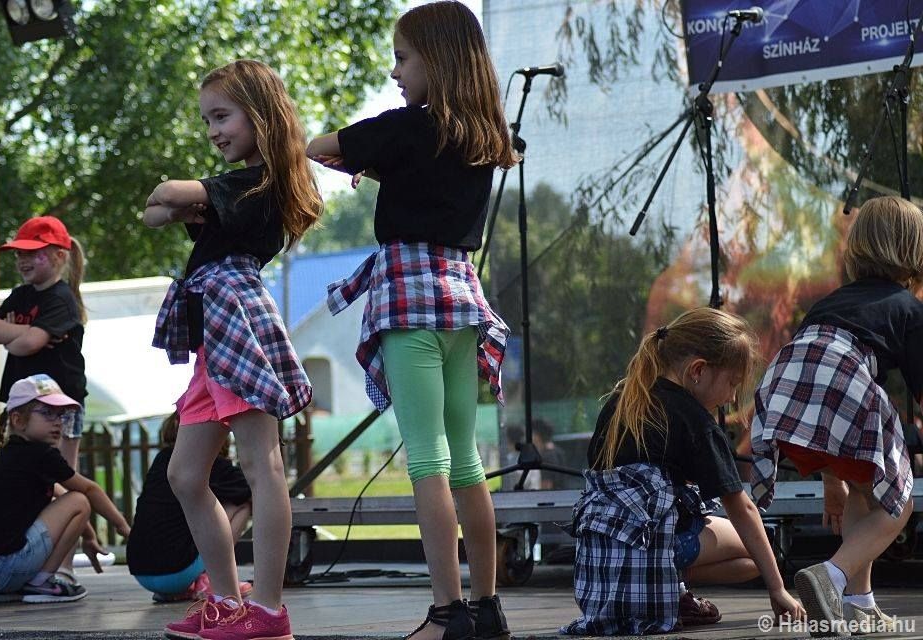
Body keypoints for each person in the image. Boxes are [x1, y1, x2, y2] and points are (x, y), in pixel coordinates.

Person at [307, 3, 515, 638]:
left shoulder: (402, 129)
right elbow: (426, 176)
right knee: (466, 461)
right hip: (461, 298)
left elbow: (316, 148)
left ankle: (446, 613)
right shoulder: (485, 138)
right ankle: (487, 608)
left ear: (438, 60)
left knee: (425, 458)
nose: (394, 72)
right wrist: (380, 166)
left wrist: (368, 160)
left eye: (402, 58)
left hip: (408, 299)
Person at [146, 59, 319, 640]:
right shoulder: (235, 186)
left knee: (261, 464)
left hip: (235, 326)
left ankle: (266, 608)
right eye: (207, 121)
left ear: (260, 114)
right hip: (212, 341)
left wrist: (183, 200)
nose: (213, 131)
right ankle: (225, 599)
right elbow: (154, 213)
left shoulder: (256, 184)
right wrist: (180, 204)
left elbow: (164, 196)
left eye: (221, 116)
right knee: (184, 473)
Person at [562, 308, 804, 635]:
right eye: (732, 383)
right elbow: (742, 508)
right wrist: (777, 589)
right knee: (760, 550)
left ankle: (667, 589)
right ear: (698, 370)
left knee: (741, 549)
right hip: (653, 545)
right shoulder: (695, 421)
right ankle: (670, 587)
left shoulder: (621, 402)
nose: (732, 397)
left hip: (601, 558)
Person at [752, 195, 921, 635]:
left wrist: (832, 480)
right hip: (839, 380)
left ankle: (858, 604)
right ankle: (831, 575)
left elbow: (816, 374)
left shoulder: (831, 301)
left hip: (787, 388)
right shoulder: (908, 308)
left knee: (867, 488)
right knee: (898, 501)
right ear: (914, 249)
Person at [0, 374, 130, 604]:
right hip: (3, 568)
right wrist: (123, 527)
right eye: (48, 413)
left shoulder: (13, 454)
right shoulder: (40, 454)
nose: (58, 421)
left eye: (61, 414)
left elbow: (61, 499)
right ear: (18, 420)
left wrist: (89, 536)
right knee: (79, 500)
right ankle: (42, 581)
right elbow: (89, 491)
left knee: (72, 500)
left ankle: (18, 586)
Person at [0, 215, 88, 582]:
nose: (23, 261)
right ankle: (26, 556)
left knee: (64, 478)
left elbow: (25, 345)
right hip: (25, 403)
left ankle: (64, 566)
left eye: (33, 253)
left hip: (60, 402)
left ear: (59, 256)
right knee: (24, 478)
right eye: (19, 254)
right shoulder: (21, 295)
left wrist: (15, 334)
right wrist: (26, 332)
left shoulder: (61, 299)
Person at [127, 412, 252, 603]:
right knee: (242, 504)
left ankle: (187, 587)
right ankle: (212, 579)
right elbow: (252, 490)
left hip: (141, 570)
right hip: (177, 572)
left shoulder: (163, 459)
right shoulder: (211, 462)